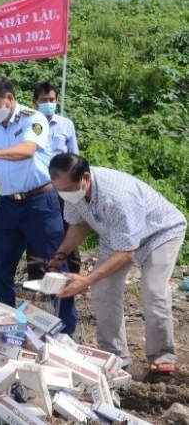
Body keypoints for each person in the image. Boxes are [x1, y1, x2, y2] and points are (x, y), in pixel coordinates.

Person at [48, 153, 186, 373]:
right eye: (60, 190)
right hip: (118, 237)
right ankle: (115, 354)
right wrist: (61, 254)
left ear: (85, 177)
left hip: (159, 233)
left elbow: (126, 253)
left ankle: (162, 355)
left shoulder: (117, 196)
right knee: (103, 287)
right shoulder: (72, 193)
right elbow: (79, 225)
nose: (64, 194)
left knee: (153, 288)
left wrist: (85, 280)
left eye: (68, 189)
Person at [0, 75, 76, 335]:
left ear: (10, 99)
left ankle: (67, 331)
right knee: (1, 267)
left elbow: (27, 150)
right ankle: (3, 328)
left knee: (55, 266)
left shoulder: (32, 119)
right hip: (8, 206)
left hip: (40, 202)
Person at [25, 81, 81, 279]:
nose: (48, 103)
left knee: (68, 227)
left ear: (57, 101)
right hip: (38, 186)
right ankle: (37, 275)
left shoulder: (66, 125)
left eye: (51, 100)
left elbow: (75, 156)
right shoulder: (28, 125)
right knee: (36, 230)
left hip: (63, 187)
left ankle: (72, 271)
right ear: (35, 102)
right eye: (43, 100)